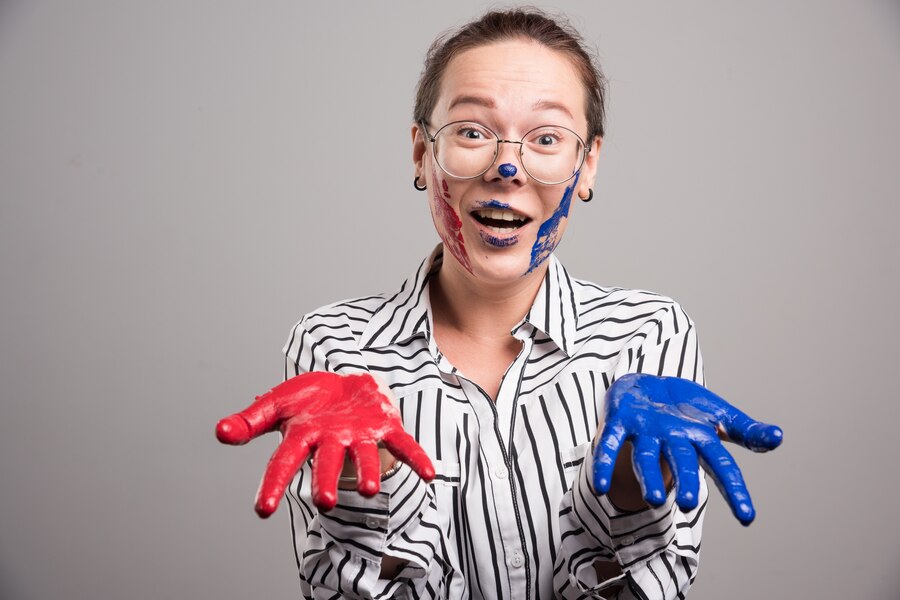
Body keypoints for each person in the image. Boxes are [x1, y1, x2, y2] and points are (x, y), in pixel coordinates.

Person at [216, 9, 782, 599]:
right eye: (471, 131)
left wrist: (631, 495)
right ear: (420, 153)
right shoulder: (333, 349)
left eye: (546, 139)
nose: (507, 168)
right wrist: (374, 486)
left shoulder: (649, 337)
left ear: (586, 164)